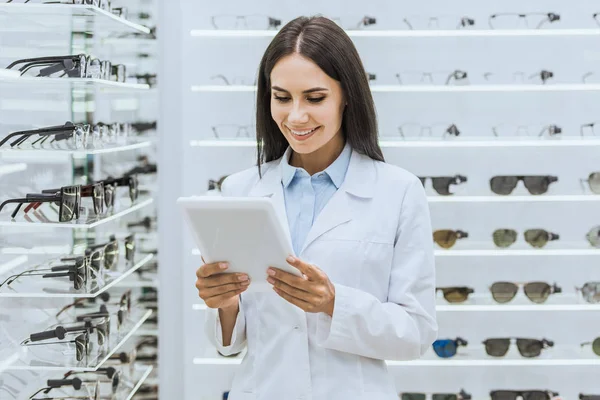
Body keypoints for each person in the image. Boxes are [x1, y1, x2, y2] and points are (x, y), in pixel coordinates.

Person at [195, 15, 437, 400]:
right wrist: (224, 304)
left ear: (347, 96)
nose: (295, 117)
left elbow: (416, 333)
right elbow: (231, 344)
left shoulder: (399, 191)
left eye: (315, 97)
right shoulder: (240, 189)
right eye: (282, 97)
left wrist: (334, 303)